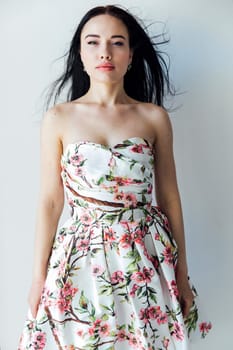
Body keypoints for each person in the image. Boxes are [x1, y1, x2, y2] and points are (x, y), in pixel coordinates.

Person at [18, 4, 212, 350]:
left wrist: (182, 273)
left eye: (117, 42)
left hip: (144, 255)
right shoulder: (59, 118)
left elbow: (168, 198)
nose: (104, 52)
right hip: (80, 255)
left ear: (131, 54)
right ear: (80, 53)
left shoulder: (153, 118)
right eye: (93, 42)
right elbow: (50, 201)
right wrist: (37, 277)